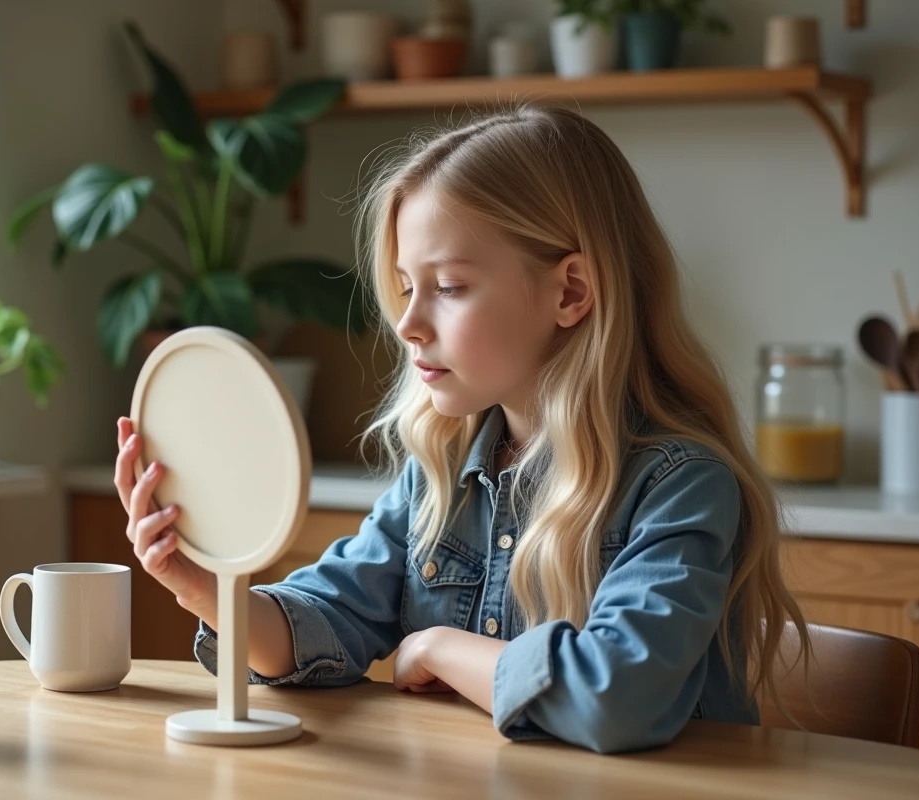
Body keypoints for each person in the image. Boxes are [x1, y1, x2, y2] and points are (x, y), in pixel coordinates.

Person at [113, 105, 810, 754]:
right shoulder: (440, 476)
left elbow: (614, 697)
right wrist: (207, 587)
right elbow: (323, 625)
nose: (408, 323)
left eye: (447, 287)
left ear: (571, 292)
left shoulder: (680, 488)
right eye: (406, 287)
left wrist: (441, 647)